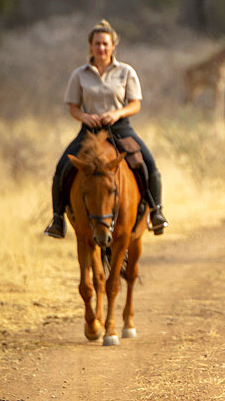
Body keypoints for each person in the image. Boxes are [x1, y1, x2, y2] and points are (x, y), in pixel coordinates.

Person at [44, 19, 168, 239]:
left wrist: (117, 113)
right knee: (62, 168)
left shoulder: (126, 72)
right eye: (97, 43)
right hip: (89, 131)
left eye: (105, 44)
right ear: (90, 46)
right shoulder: (79, 74)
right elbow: (73, 107)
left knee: (148, 164)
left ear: (113, 47)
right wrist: (85, 117)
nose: (101, 48)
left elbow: (135, 104)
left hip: (120, 128)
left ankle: (156, 212)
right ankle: (57, 219)